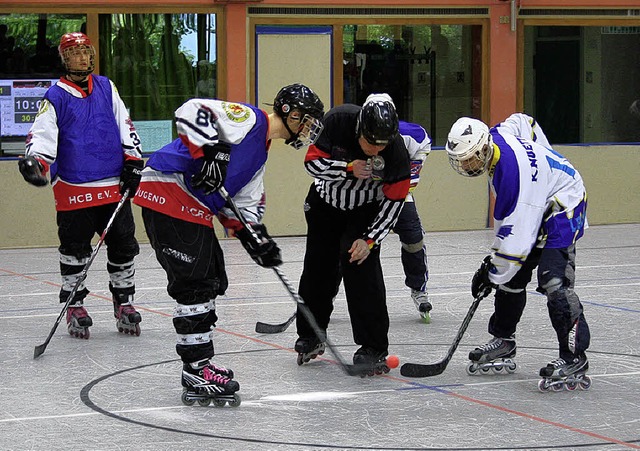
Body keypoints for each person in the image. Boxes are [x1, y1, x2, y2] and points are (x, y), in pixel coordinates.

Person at [133, 84, 325, 405]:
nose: (307, 130)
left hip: (192, 206)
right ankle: (196, 368)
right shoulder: (250, 119)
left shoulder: (259, 158)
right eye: (306, 121)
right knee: (194, 282)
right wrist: (213, 152)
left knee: (212, 277)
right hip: (167, 191)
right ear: (291, 114)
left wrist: (255, 240)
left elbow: (242, 209)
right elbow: (192, 109)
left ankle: (201, 362)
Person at [445, 113, 591, 390]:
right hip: (539, 198)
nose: (465, 164)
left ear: (484, 147)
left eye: (470, 157)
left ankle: (574, 356)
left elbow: (516, 244)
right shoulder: (499, 135)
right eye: (461, 160)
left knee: (554, 282)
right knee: (512, 280)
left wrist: (491, 272)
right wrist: (544, 156)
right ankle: (503, 339)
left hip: (565, 203)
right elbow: (524, 121)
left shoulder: (515, 180)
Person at [18, 32, 144, 339]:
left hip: (112, 184)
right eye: (75, 53)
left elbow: (123, 122)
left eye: (87, 52)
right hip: (75, 187)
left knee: (124, 246)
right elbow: (42, 134)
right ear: (64, 59)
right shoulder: (56, 96)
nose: (83, 58)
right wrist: (35, 161)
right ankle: (74, 304)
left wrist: (133, 160)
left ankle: (124, 301)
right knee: (75, 250)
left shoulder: (106, 86)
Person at [294, 93, 411, 375]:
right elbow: (311, 163)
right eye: (370, 143)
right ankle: (311, 334)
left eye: (381, 145)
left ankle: (373, 346)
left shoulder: (396, 155)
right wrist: (346, 168)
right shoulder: (337, 120)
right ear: (358, 129)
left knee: (361, 269)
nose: (375, 150)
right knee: (317, 269)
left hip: (364, 211)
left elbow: (394, 204)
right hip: (325, 203)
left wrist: (370, 240)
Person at [397, 118, 432, 322]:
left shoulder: (415, 137)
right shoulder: (353, 134)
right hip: (366, 195)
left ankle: (419, 289)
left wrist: (400, 190)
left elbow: (422, 149)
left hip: (399, 193)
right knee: (352, 243)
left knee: (414, 239)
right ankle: (326, 293)